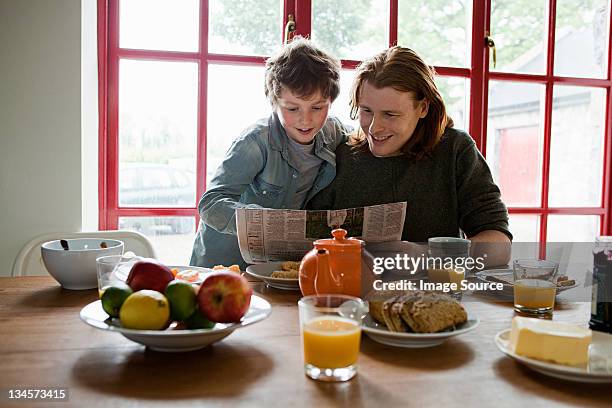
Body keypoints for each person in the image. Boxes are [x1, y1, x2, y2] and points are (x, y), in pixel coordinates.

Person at [308, 46, 512, 266]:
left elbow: (499, 246)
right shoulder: (340, 153)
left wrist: (428, 255)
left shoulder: (455, 149)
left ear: (423, 108)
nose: (374, 128)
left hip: (434, 294)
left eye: (390, 114)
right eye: (366, 111)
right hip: (349, 294)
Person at [190, 37, 348, 268]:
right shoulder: (255, 142)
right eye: (292, 108)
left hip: (276, 266)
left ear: (331, 101)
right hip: (222, 265)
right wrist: (266, 223)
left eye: (318, 107)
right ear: (273, 102)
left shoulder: (334, 132)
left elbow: (363, 143)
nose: (306, 119)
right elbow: (210, 204)